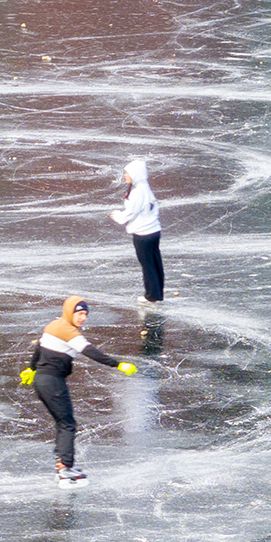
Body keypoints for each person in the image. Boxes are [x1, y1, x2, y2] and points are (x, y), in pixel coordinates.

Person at [19, 296, 137, 487]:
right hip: (53, 382)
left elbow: (39, 349)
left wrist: (32, 368)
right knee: (67, 423)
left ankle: (62, 462)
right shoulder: (69, 331)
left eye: (85, 314)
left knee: (62, 421)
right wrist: (118, 364)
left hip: (42, 380)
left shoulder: (53, 325)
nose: (82, 318)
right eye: (79, 313)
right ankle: (65, 469)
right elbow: (90, 351)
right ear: (69, 312)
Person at [109, 159, 164, 305]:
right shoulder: (145, 189)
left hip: (143, 233)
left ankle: (151, 295)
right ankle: (157, 292)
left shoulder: (137, 192)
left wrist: (117, 216)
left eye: (128, 173)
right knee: (154, 262)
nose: (125, 176)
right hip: (153, 231)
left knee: (148, 265)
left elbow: (131, 213)